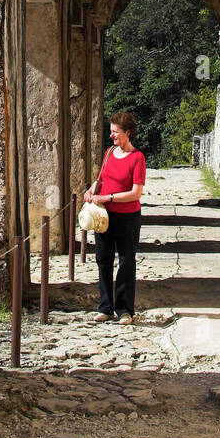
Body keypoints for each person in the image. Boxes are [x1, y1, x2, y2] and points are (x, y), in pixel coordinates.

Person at [83, 112, 146, 325]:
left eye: (115, 132)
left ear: (127, 133)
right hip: (104, 215)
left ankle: (125, 309)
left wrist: (108, 197)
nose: (111, 136)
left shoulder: (138, 158)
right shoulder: (109, 152)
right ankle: (105, 307)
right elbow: (100, 179)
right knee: (103, 259)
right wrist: (91, 191)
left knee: (127, 261)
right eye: (111, 131)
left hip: (128, 217)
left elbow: (136, 193)